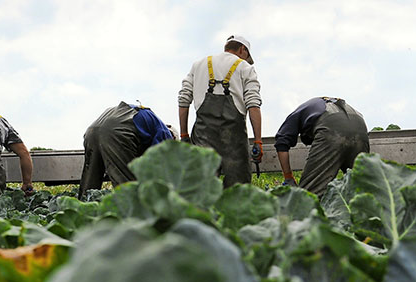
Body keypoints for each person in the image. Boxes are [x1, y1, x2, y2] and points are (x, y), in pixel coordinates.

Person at [178, 35, 263, 187]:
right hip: (234, 140)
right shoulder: (245, 68)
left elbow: (184, 100)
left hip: (204, 137)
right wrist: (257, 141)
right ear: (243, 49)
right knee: (238, 190)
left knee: (203, 188)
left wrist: (184, 135)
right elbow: (253, 105)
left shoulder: (198, 65)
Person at [274, 97, 370, 195]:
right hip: (359, 124)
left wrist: (288, 177)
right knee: (361, 189)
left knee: (310, 195)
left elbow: (281, 142)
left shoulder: (296, 115)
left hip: (332, 125)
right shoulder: (319, 105)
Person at [78, 102, 174, 195]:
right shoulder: (165, 132)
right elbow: (160, 164)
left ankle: (82, 210)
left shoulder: (146, 122)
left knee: (89, 186)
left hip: (93, 130)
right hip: (116, 130)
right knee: (126, 188)